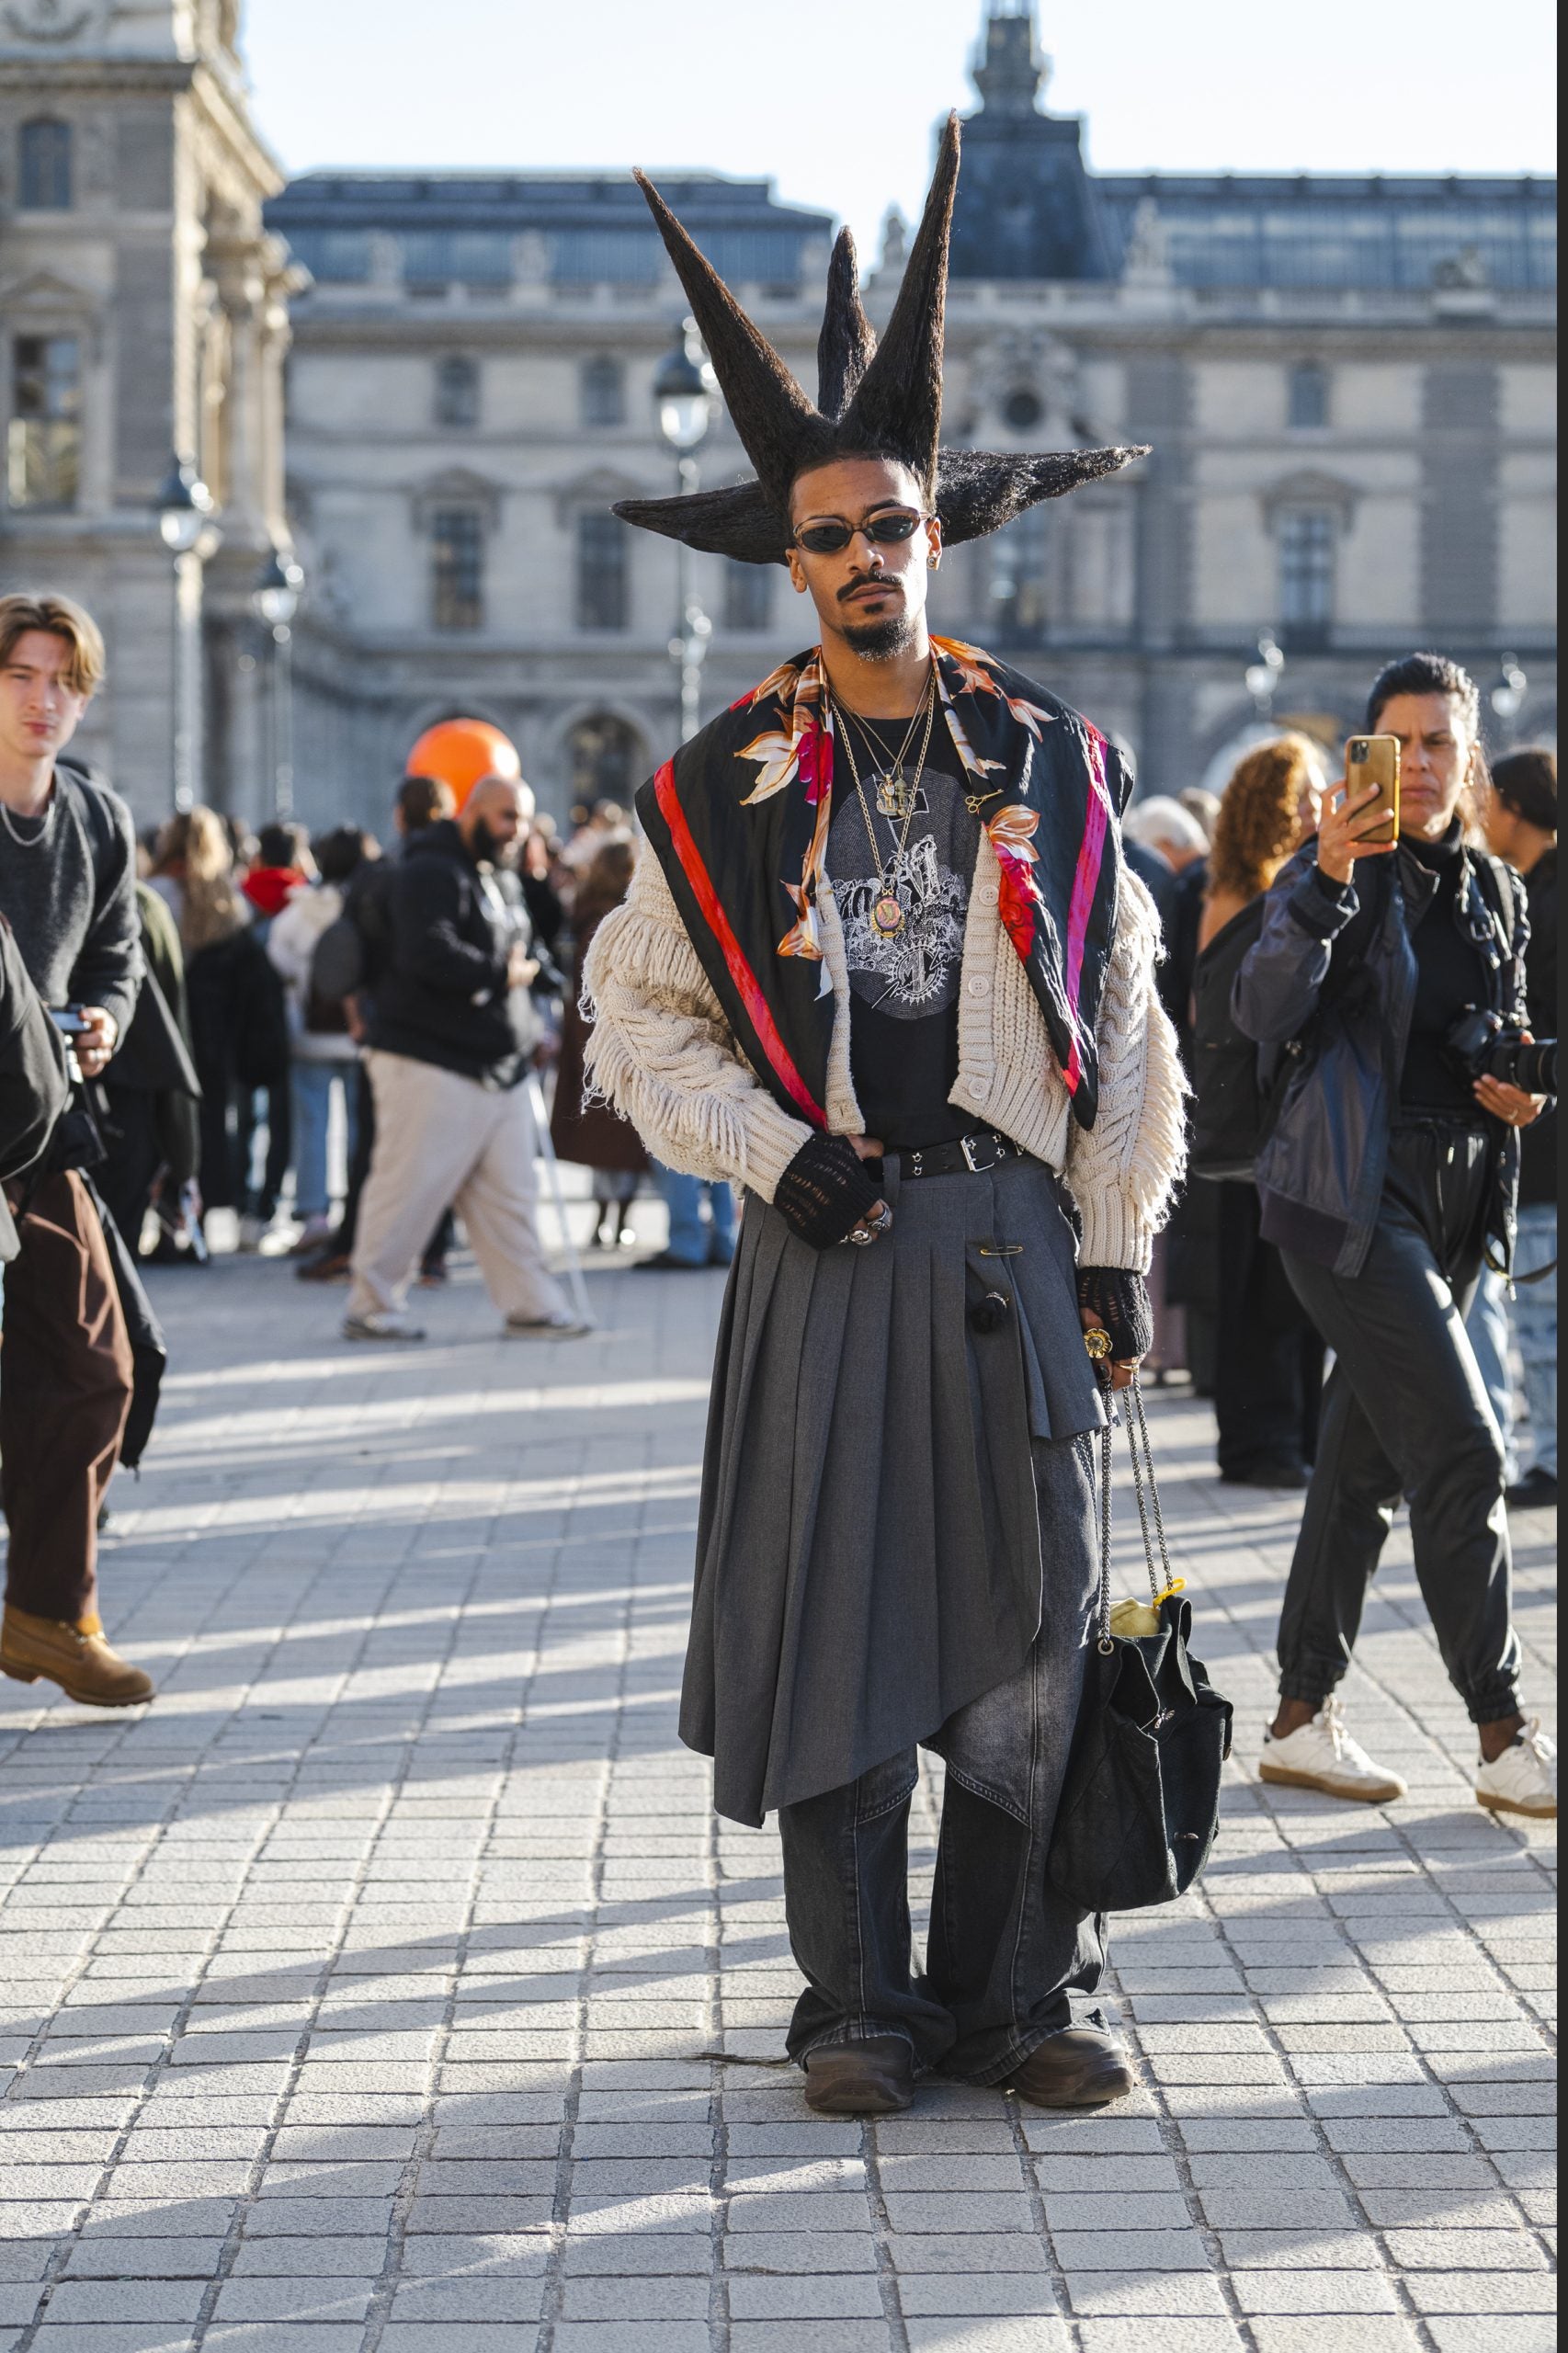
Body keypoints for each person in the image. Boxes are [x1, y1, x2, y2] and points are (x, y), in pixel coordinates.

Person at [585, 121, 1185, 2117]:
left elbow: (1125, 1020)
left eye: (893, 522)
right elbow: (634, 1026)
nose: (863, 555)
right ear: (788, 552)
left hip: (1011, 1243)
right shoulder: (714, 786)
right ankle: (857, 2000)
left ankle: (1013, 1985)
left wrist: (1112, 1241)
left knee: (1028, 1624)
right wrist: (769, 1145)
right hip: (827, 1244)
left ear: (939, 533)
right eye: (828, 530)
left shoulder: (1054, 756)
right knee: (829, 1607)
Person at [1236, 653, 1555, 1819]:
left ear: (1469, 757)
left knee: (1360, 1467)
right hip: (1343, 1198)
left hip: (1454, 1200)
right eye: (1396, 743)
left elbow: (1496, 1034)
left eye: (1438, 744)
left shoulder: (1494, 890)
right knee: (1464, 1445)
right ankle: (1502, 1729)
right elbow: (1259, 1009)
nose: (1417, 765)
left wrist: (1518, 1091)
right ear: (1363, 754)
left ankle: (1296, 1719)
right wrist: (1323, 878)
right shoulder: (1334, 873)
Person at [0, 590, 152, 1708]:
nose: (45, 699)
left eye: (65, 681)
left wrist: (102, 1015)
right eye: (22, 675)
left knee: (99, 1370)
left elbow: (117, 954)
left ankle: (49, 1613)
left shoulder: (96, 817)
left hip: (46, 1127)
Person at [344, 774, 582, 1342]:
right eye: (505, 817)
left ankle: (530, 1304)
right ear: (472, 810)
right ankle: (371, 1304)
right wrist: (503, 975)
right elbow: (427, 952)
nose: (515, 831)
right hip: (428, 1060)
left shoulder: (500, 876)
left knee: (510, 1197)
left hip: (496, 1063)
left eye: (522, 820)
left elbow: (530, 949)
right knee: (408, 1190)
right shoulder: (429, 868)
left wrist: (545, 987)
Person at [1195, 735, 1327, 1484]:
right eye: (1305, 794)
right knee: (1259, 1293)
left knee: (1291, 1295)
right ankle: (1261, 1441)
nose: (1317, 806)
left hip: (1285, 1122)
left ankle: (1295, 1437)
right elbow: (1222, 1013)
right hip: (1252, 1123)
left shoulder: (1285, 885)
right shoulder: (1238, 892)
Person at [1471, 747, 1556, 1509]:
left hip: (1548, 1140)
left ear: (1518, 809)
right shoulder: (1519, 888)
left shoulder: (1541, 897)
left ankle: (1553, 1459)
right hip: (1532, 1133)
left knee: (1542, 1320)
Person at [151, 809, 290, 1250]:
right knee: (209, 1125)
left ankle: (161, 1217)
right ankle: (203, 1221)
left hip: (160, 1030)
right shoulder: (227, 901)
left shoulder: (155, 894)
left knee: (156, 1125)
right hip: (214, 1038)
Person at [267, 824, 378, 1251]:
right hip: (359, 1033)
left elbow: (278, 961)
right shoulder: (365, 908)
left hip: (309, 1034)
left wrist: (301, 985)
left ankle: (313, 1213)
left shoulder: (298, 913)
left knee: (311, 1124)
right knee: (359, 1126)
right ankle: (358, 1210)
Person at [549, 836, 648, 1249]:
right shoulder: (622, 921)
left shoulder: (584, 916)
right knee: (626, 1133)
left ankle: (603, 1218)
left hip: (586, 1035)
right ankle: (618, 1217)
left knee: (602, 1131)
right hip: (622, 1036)